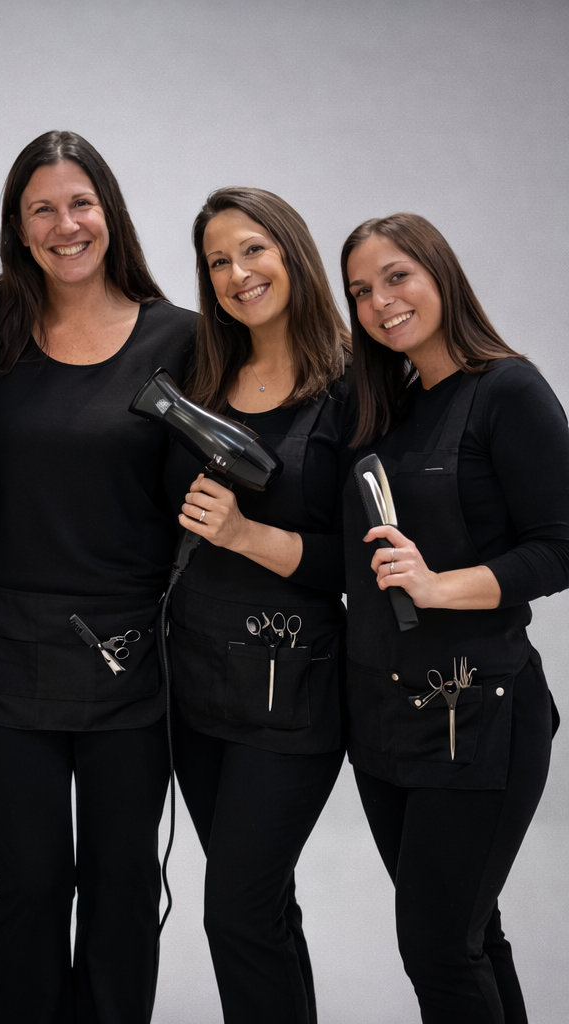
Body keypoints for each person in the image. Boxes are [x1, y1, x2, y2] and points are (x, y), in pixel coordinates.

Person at [0, 130, 197, 1023]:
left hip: (134, 654)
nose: (66, 224)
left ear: (112, 212)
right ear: (19, 230)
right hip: (5, 651)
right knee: (28, 881)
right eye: (42, 209)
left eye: (81, 202)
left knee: (124, 881)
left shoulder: (182, 337)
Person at [341, 212, 567, 1023]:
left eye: (397, 276)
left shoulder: (508, 389)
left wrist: (441, 587)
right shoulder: (391, 407)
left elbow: (561, 547)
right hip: (385, 719)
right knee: (471, 936)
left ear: (440, 272)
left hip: (479, 710)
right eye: (361, 290)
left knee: (437, 948)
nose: (381, 302)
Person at [167, 188, 352, 1023]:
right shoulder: (204, 377)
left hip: (294, 690)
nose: (237, 274)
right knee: (263, 907)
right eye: (216, 262)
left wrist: (246, 536)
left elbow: (367, 559)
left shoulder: (352, 388)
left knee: (235, 908)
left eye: (253, 251)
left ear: (292, 254)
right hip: (196, 685)